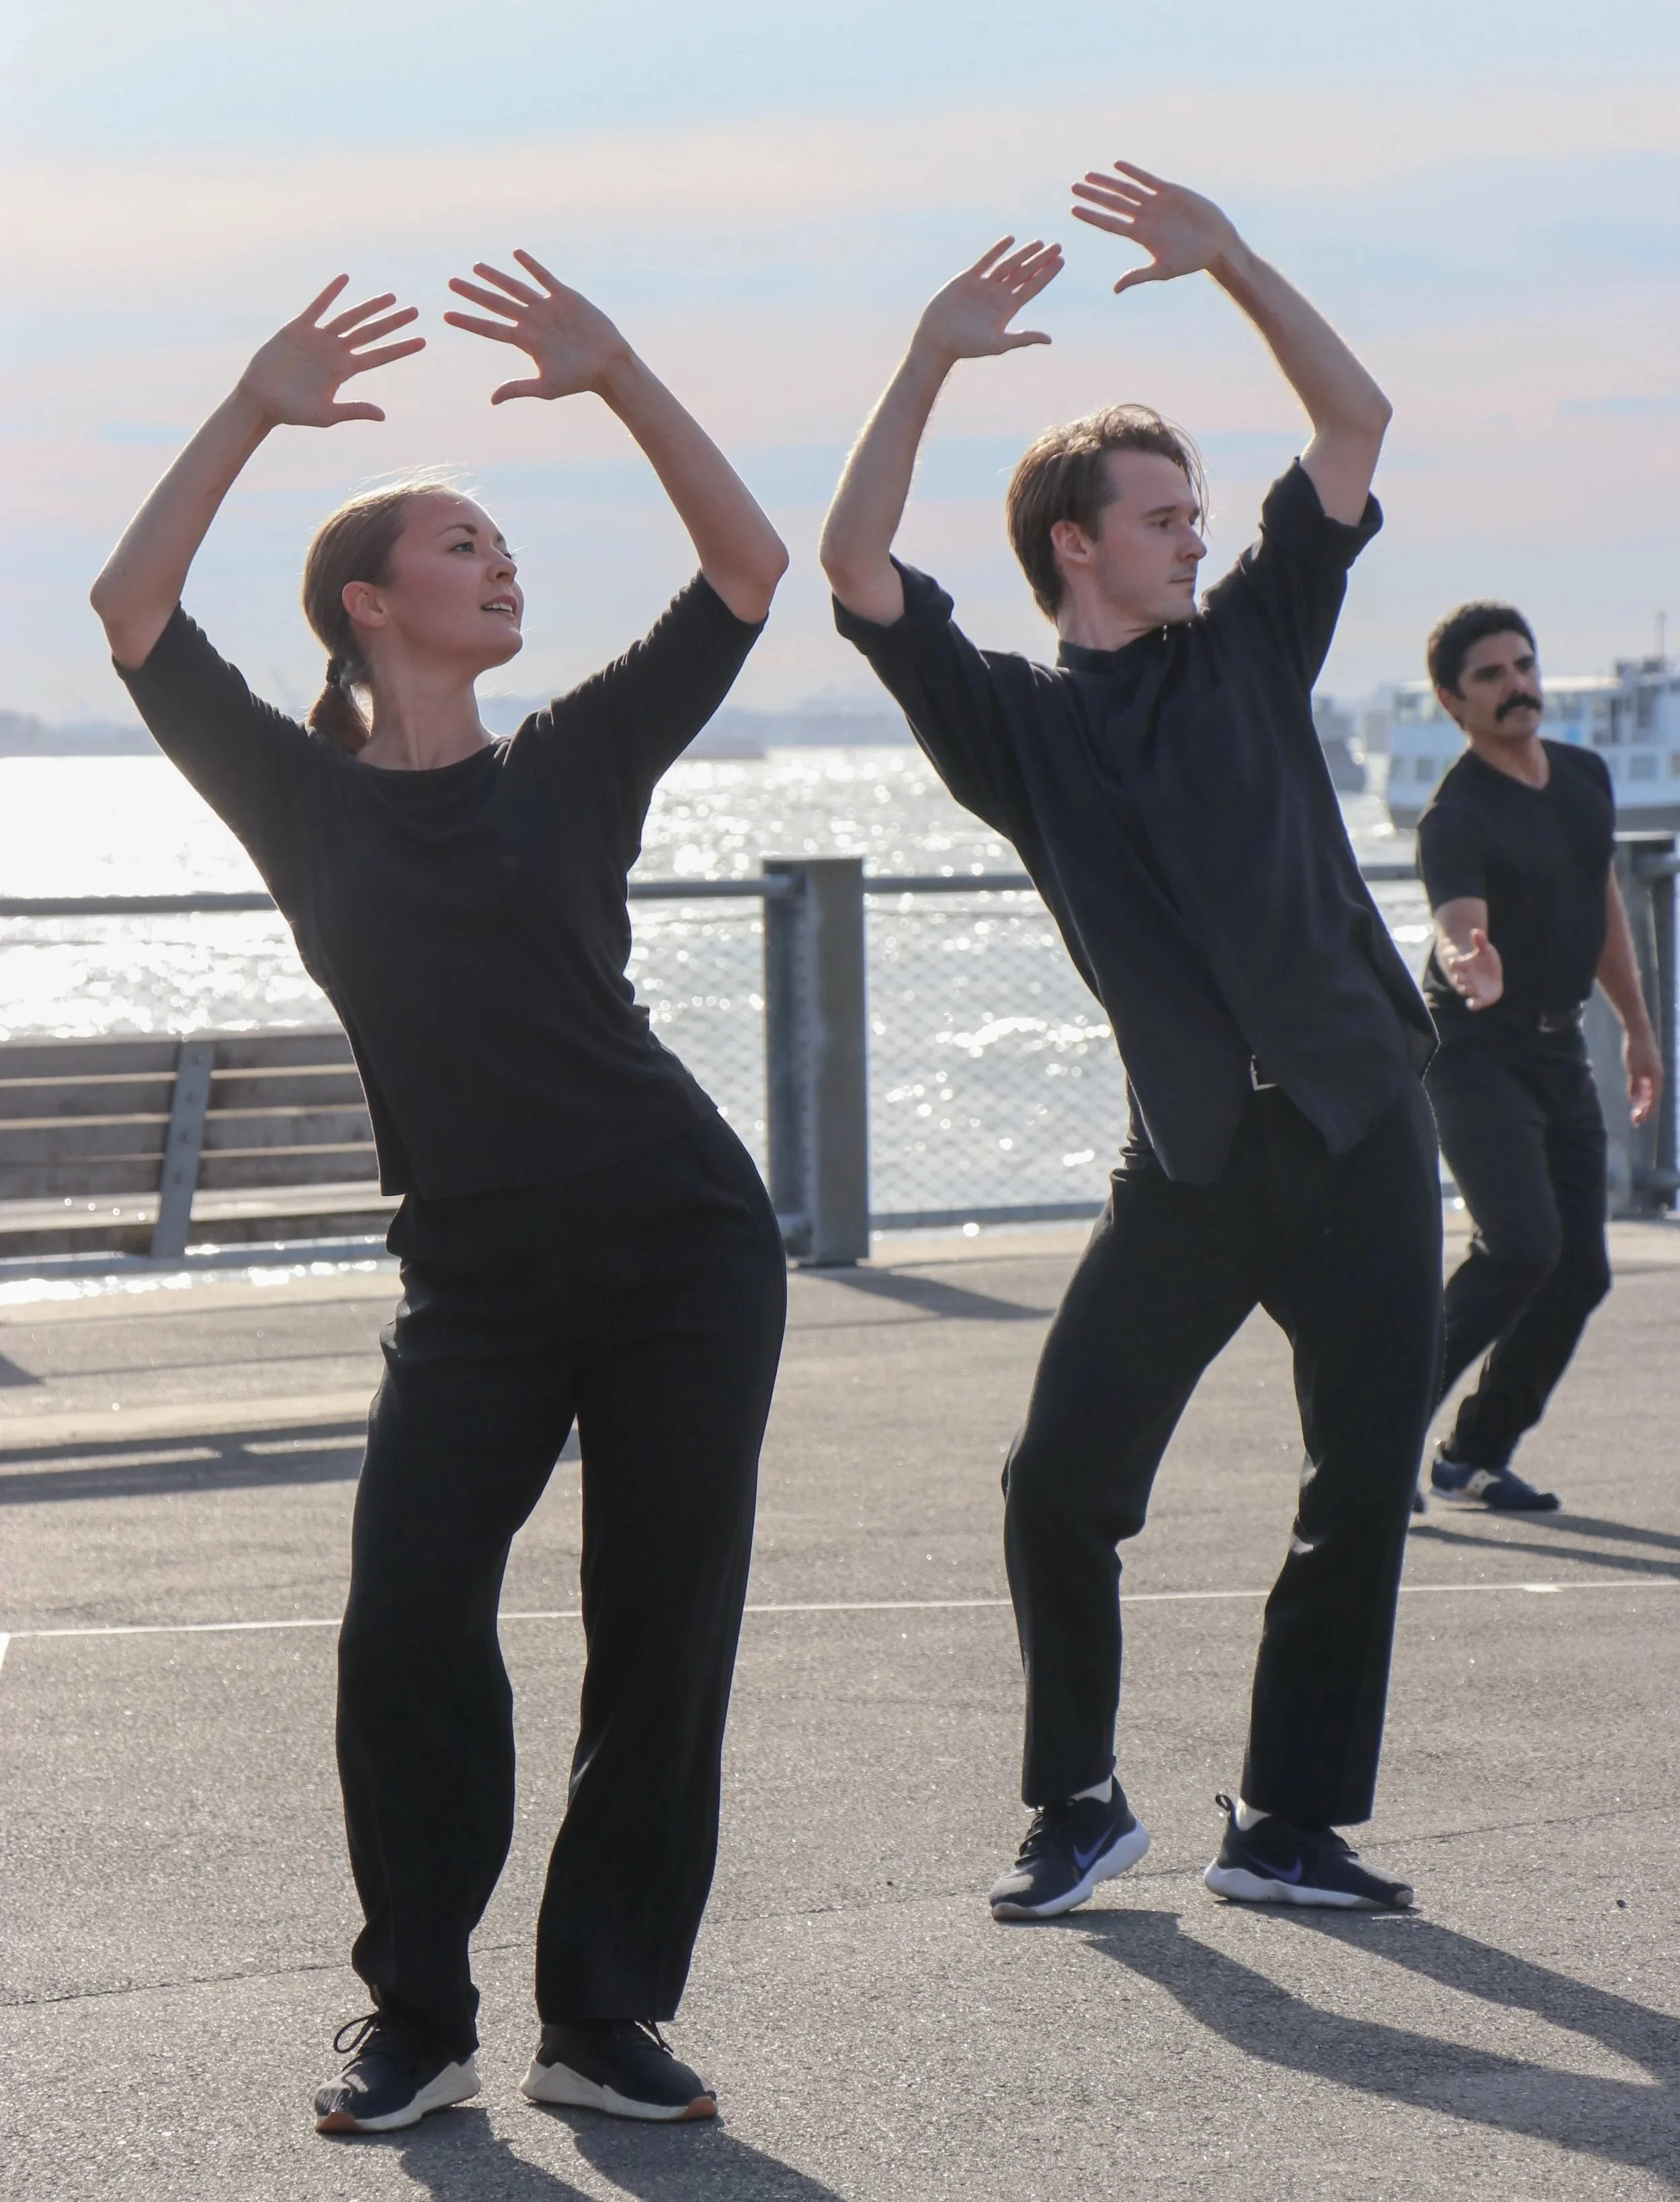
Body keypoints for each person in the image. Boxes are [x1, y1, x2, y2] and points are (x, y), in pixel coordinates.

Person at [89, 257, 790, 2131]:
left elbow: (745, 574)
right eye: (462, 542)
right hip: (472, 1283)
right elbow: (131, 608)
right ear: (367, 602)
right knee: (404, 1621)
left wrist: (625, 370)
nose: (501, 566)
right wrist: (250, 405)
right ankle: (417, 2011)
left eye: (502, 546)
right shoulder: (302, 806)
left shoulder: (569, 765)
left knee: (660, 1630)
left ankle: (604, 2013)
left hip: (681, 1249)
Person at [821, 162, 1441, 1920]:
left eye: (1192, 508)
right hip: (1187, 1162)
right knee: (1058, 1487)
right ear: (1072, 547)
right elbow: (855, 563)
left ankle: (1287, 1824)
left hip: (1361, 1125)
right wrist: (929, 360)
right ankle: (1077, 1799)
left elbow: (1352, 415)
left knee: (1358, 1486)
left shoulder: (1254, 642)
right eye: (1158, 513)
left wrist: (1233, 257)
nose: (1192, 530)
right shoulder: (1015, 727)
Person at [1414, 603, 1664, 1511]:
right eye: (1491, 675)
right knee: (1521, 1246)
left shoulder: (1585, 777)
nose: (1517, 684)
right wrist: (1466, 958)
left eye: (1523, 665)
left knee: (1581, 1270)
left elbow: (1602, 905)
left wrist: (1638, 1028)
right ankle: (1371, 1438)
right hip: (1474, 1053)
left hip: (1558, 1049)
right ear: (1453, 699)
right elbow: (1457, 925)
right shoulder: (1455, 815)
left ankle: (1472, 1455)